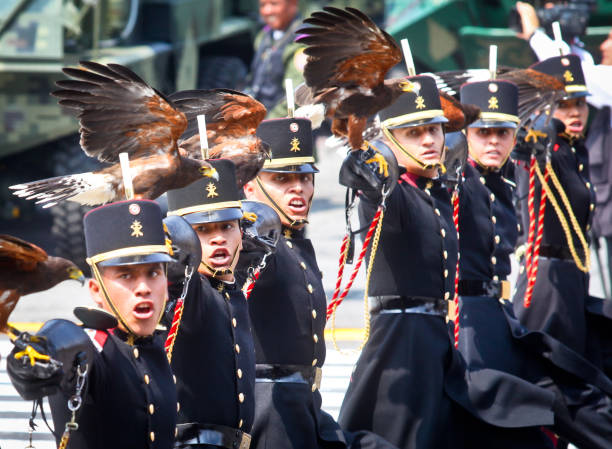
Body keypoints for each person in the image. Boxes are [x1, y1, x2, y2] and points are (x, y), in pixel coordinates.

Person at [335, 75, 521, 449]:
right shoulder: (394, 193)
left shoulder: (433, 193)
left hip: (437, 338)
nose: (429, 140)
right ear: (388, 138)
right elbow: (367, 178)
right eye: (414, 132)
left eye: (434, 130)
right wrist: (372, 157)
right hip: (401, 342)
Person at [458, 79, 612, 449]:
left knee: (566, 391)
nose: (493, 140)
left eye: (503, 132)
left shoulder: (503, 178)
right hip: (470, 325)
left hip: (502, 314)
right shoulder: (456, 181)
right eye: (483, 132)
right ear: (465, 135)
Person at [241, 117, 396, 449]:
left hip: (305, 406)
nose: (298, 188)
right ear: (250, 186)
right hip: (271, 414)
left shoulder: (294, 243)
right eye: (282, 179)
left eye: (305, 178)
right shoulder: (251, 245)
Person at [7, 199, 178, 448]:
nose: (143, 288)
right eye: (126, 275)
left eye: (153, 273)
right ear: (96, 290)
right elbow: (67, 342)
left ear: (166, 284)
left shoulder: (163, 341)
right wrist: (39, 353)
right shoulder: (95, 349)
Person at [511, 55, 612, 366]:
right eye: (564, 105)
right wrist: (536, 138)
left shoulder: (573, 150)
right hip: (547, 281)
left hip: (572, 277)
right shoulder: (543, 150)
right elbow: (527, 156)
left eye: (580, 103)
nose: (575, 112)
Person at [165, 159, 256, 449]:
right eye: (202, 230)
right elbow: (180, 280)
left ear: (241, 231)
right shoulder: (192, 294)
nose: (218, 238)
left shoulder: (230, 290)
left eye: (227, 226)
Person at [245, 0, 306, 118]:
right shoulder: (264, 35)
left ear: (293, 4)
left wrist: (266, 123)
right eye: (263, 5)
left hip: (284, 121)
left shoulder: (302, 41)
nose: (267, 11)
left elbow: (296, 96)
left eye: (274, 4)